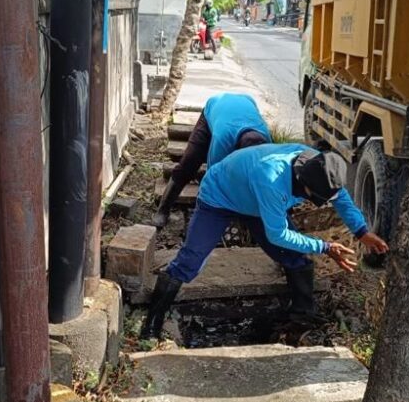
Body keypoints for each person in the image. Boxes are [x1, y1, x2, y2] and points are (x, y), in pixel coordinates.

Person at [140, 144, 389, 339]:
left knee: (294, 258)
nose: (323, 203)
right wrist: (325, 247)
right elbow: (278, 234)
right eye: (319, 199)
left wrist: (361, 231)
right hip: (220, 197)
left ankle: (301, 319)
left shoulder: (320, 167)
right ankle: (152, 323)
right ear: (305, 186)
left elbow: (341, 199)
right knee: (190, 261)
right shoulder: (272, 180)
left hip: (257, 204)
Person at [152, 92, 272, 227]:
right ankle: (163, 210)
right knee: (188, 164)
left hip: (246, 102)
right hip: (215, 107)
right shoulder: (223, 139)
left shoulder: (267, 142)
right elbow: (213, 177)